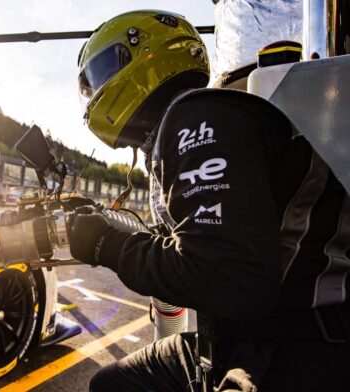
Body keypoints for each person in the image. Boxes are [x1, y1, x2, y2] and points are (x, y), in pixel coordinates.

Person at [68, 10, 350, 391]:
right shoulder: (197, 122)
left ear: (142, 53)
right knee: (112, 383)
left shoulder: (199, 116)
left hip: (299, 340)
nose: (94, 94)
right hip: (242, 336)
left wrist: (108, 244)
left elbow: (227, 276)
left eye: (100, 74)